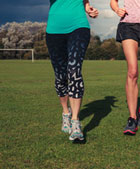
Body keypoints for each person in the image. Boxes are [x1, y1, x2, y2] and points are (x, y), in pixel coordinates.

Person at [46, 0, 98, 141]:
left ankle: (75, 122)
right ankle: (66, 113)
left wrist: (88, 8)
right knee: (60, 76)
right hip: (54, 30)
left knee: (74, 70)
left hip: (78, 26)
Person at [110, 0, 140, 135]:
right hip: (128, 24)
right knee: (132, 71)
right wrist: (116, 9)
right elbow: (113, 1)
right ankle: (132, 117)